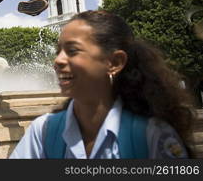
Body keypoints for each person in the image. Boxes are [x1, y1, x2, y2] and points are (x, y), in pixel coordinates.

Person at [10, 10, 195, 159]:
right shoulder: (42, 131)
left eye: (72, 50)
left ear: (114, 62)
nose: (57, 60)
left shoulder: (152, 137)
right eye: (58, 50)